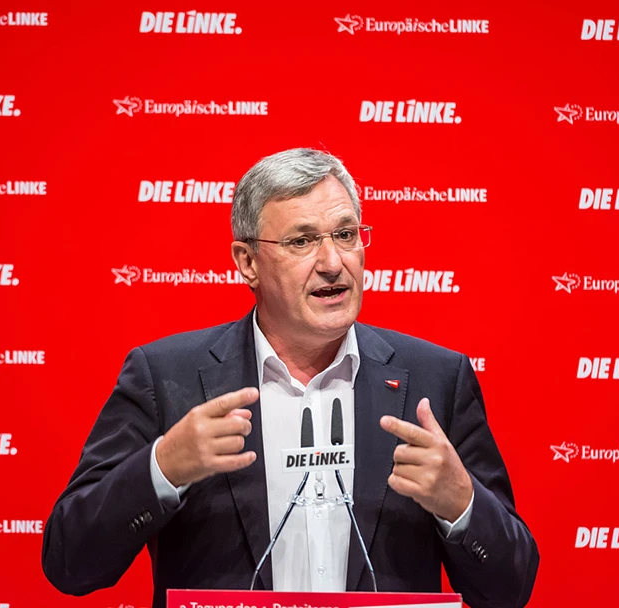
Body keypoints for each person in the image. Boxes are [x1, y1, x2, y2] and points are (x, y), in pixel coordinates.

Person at [42, 148, 539, 608]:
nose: (332, 263)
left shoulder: (436, 378)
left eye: (346, 235)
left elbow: (511, 587)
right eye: (301, 241)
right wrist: (162, 468)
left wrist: (462, 504)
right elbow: (70, 562)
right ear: (248, 262)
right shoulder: (167, 376)